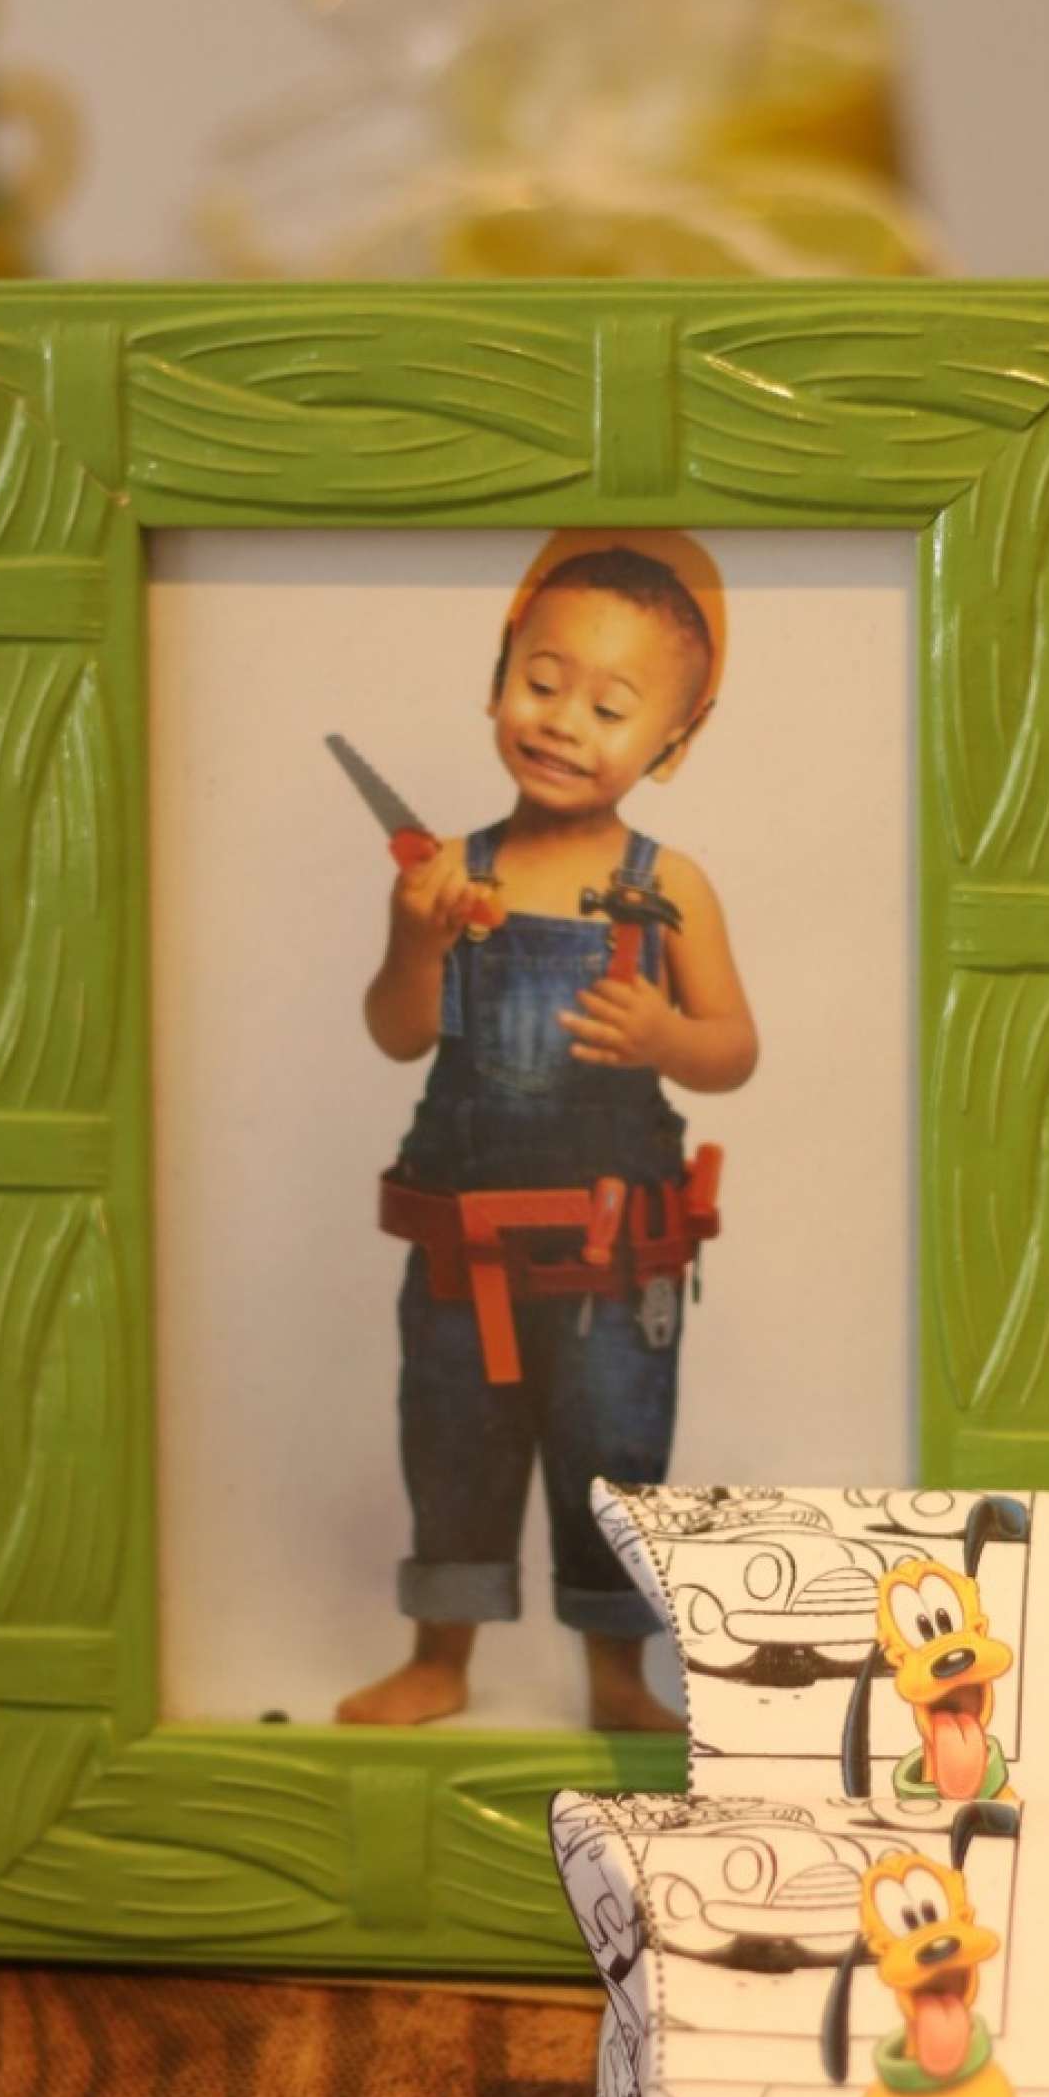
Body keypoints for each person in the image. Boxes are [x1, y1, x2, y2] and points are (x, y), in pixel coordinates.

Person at [338, 531, 759, 1731]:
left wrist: (665, 1037)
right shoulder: (445, 872)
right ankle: (439, 1660)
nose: (565, 721)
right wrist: (416, 939)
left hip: (615, 1267)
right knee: (452, 1446)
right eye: (541, 681)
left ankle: (616, 1680)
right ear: (497, 678)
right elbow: (395, 1033)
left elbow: (735, 1046)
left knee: (614, 1460)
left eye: (610, 707)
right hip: (461, 1253)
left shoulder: (670, 886)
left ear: (673, 740)